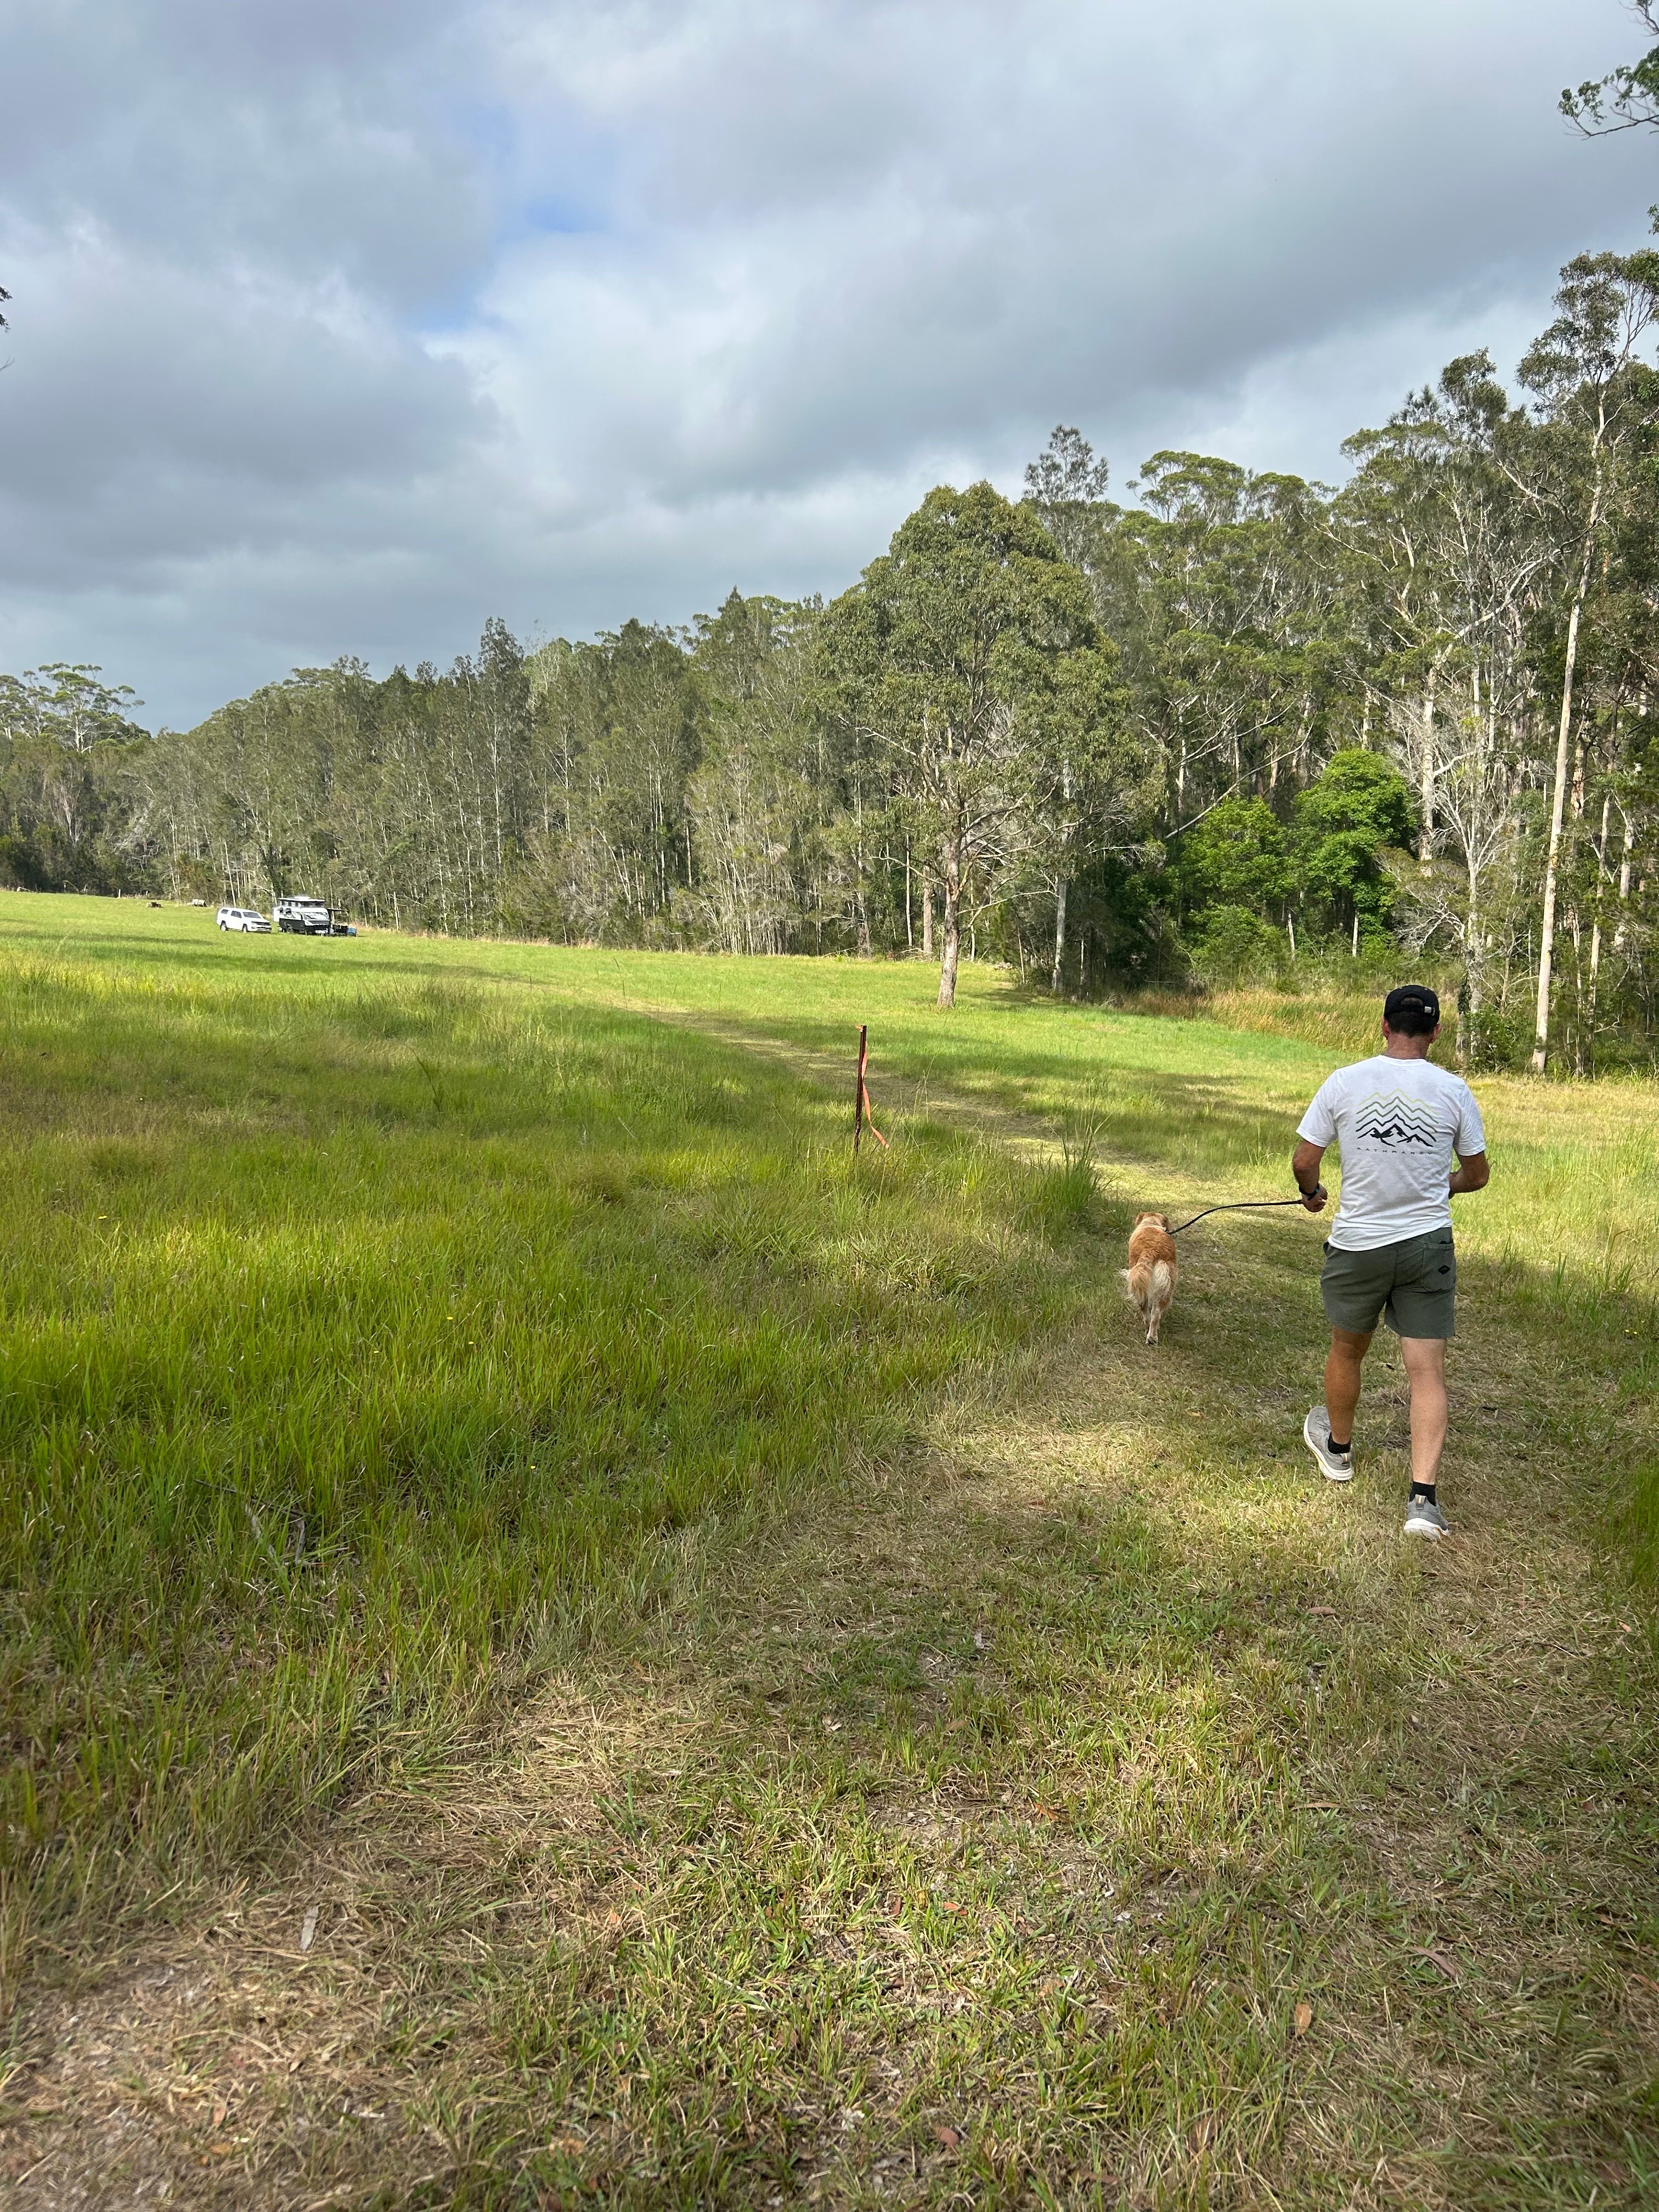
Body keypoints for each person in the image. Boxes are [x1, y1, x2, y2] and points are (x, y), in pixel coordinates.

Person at [1290, 984, 1489, 1538]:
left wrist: (1311, 1192)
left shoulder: (1345, 1082)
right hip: (1427, 1244)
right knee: (1426, 1371)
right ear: (1435, 1032)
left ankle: (1339, 1450)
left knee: (1347, 1350)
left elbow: (1306, 1158)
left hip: (1358, 1244)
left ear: (1383, 1026)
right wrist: (1442, 1185)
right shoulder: (1453, 1090)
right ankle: (1423, 1502)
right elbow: (1477, 1175)